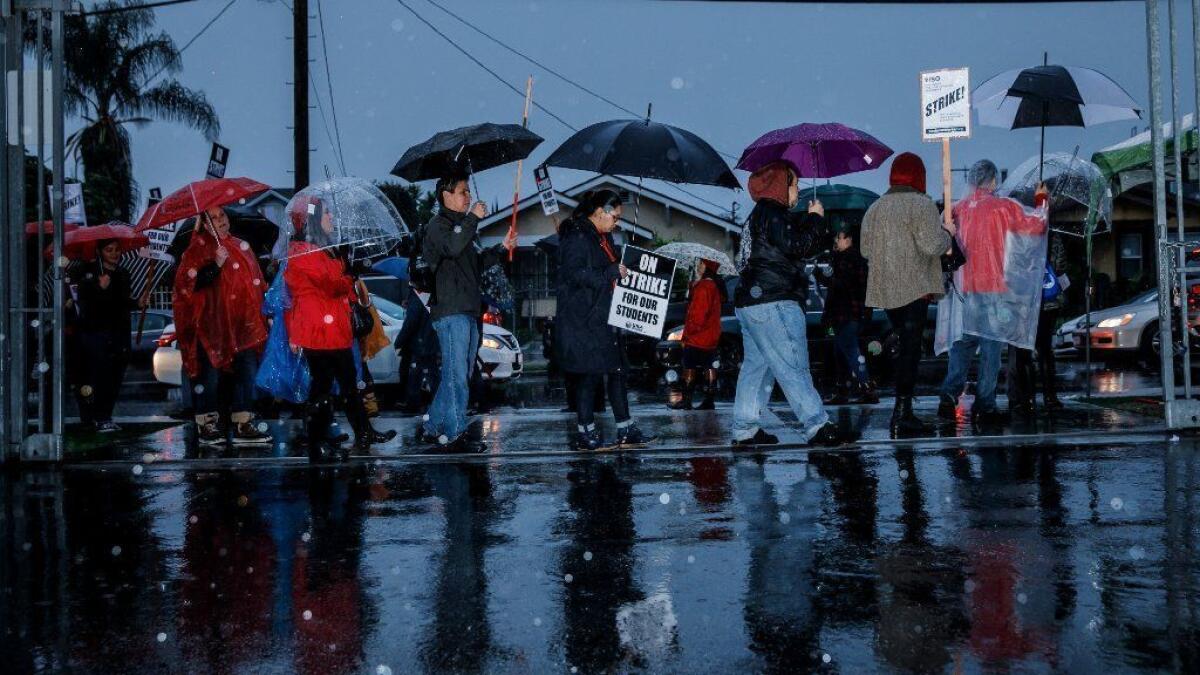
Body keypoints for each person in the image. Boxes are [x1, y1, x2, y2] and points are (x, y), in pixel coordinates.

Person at [730, 162, 842, 448]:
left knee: (756, 366)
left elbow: (782, 246)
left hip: (751, 300)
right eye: (794, 184)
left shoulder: (758, 216)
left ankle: (745, 430)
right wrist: (816, 219)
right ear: (782, 185)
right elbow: (798, 247)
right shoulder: (773, 213)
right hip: (774, 300)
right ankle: (817, 424)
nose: (798, 190)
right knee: (793, 364)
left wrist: (808, 221)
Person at [936, 160, 1048, 426]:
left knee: (962, 346)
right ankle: (985, 404)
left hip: (964, 290)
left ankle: (949, 396)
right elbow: (1036, 225)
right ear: (993, 181)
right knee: (991, 349)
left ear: (973, 180)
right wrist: (1041, 197)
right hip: (994, 291)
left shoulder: (957, 210)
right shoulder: (1004, 208)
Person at [285, 199, 397, 462]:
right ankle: (317, 442)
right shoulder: (302, 251)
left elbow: (340, 286)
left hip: (333, 328)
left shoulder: (322, 249)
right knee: (323, 388)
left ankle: (362, 431)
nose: (331, 217)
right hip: (318, 330)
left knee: (347, 384)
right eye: (326, 213)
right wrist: (347, 268)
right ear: (313, 219)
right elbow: (331, 283)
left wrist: (345, 265)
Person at [420, 174, 516, 452]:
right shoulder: (438, 227)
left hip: (468, 309)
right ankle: (454, 432)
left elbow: (476, 263)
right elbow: (452, 246)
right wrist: (473, 218)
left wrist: (501, 248)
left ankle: (433, 426)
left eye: (468, 192)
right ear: (446, 195)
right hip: (451, 311)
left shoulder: (462, 227)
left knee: (456, 373)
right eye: (463, 191)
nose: (469, 197)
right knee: (456, 374)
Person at [555, 189, 656, 450]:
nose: (617, 222)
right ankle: (585, 432)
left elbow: (608, 270)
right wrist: (610, 271)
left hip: (607, 316)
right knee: (589, 376)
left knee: (617, 372)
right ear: (600, 212)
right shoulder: (577, 235)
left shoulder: (604, 237)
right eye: (616, 216)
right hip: (585, 319)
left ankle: (626, 429)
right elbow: (574, 274)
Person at [860, 152, 951, 433]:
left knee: (904, 349)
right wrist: (948, 233)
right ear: (918, 175)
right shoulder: (921, 205)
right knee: (910, 352)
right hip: (916, 289)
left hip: (887, 291)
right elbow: (932, 245)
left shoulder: (875, 208)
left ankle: (902, 412)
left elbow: (865, 250)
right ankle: (902, 414)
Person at [173, 207, 271, 446]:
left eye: (223, 216)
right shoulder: (196, 250)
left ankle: (243, 422)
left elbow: (254, 283)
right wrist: (215, 265)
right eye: (214, 218)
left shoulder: (240, 247)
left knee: (246, 372)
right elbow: (188, 286)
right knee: (210, 376)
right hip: (210, 326)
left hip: (242, 326)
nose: (221, 221)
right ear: (205, 224)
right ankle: (207, 424)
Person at [74, 240, 144, 432]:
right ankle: (93, 417)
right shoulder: (89, 273)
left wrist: (137, 303)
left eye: (117, 249)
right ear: (99, 252)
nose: (114, 254)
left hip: (119, 333)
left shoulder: (123, 274)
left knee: (114, 377)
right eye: (109, 250)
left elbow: (121, 302)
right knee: (97, 377)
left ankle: (105, 415)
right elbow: (85, 304)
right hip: (96, 335)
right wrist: (99, 288)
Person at [815, 226, 877, 406]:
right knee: (842, 352)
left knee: (849, 350)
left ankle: (865, 388)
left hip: (847, 312)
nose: (836, 241)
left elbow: (839, 285)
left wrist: (821, 276)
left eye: (839, 238)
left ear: (848, 239)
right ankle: (844, 389)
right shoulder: (852, 259)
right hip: (848, 312)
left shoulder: (848, 259)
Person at [1007, 232, 1066, 415]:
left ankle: (1027, 399)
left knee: (1023, 351)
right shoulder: (1053, 237)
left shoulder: (1016, 238)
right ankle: (1050, 397)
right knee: (1045, 349)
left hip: (1023, 302)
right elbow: (1060, 267)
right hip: (1048, 302)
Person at [669, 258, 726, 411]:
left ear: (707, 267)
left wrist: (688, 334)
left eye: (700, 264)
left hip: (697, 337)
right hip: (710, 336)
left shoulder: (704, 287)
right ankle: (709, 400)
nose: (697, 266)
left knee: (689, 366)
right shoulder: (713, 286)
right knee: (709, 366)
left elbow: (698, 316)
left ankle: (686, 401)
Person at [395, 275, 440, 414]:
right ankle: (436, 401)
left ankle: (413, 403)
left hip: (420, 341)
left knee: (416, 373)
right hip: (430, 339)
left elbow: (411, 322)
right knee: (431, 373)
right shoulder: (430, 294)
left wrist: (399, 341)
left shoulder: (417, 297)